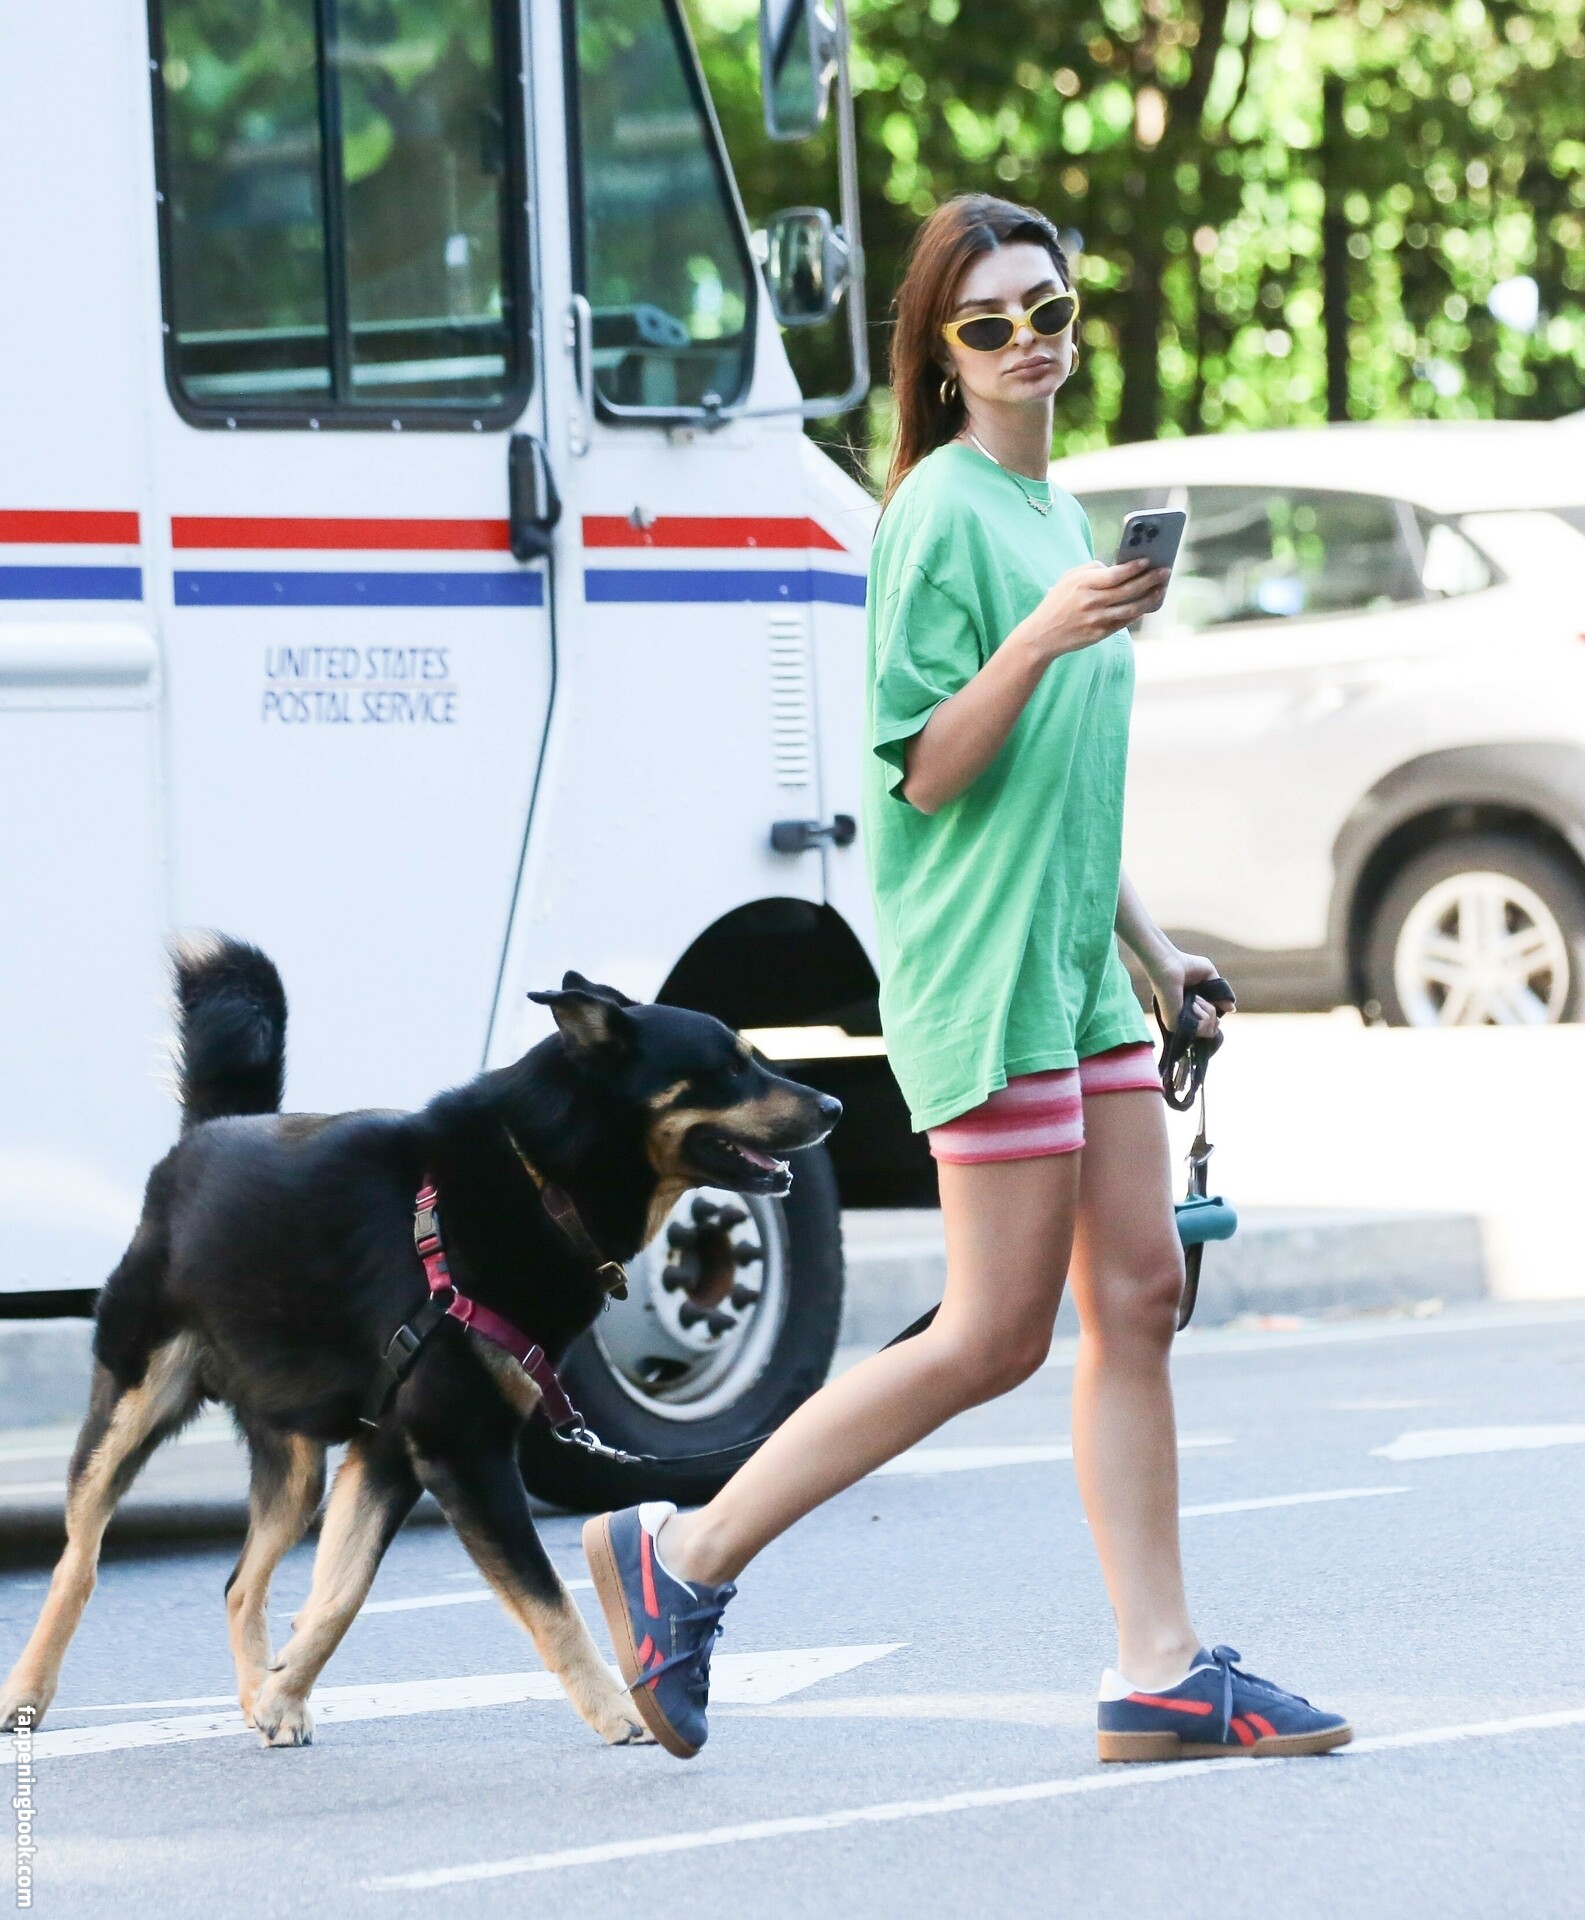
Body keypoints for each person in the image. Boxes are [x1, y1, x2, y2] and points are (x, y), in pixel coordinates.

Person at [582, 193, 1349, 1766]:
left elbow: (1061, 780)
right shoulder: (935, 513)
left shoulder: (1055, 514)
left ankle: (1160, 1669)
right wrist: (1038, 639)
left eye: (1045, 310)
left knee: (1136, 1296)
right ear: (940, 355)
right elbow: (929, 770)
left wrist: (1154, 951)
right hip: (983, 976)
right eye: (986, 324)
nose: (1026, 343)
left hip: (1074, 973)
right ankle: (683, 1556)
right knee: (993, 1334)